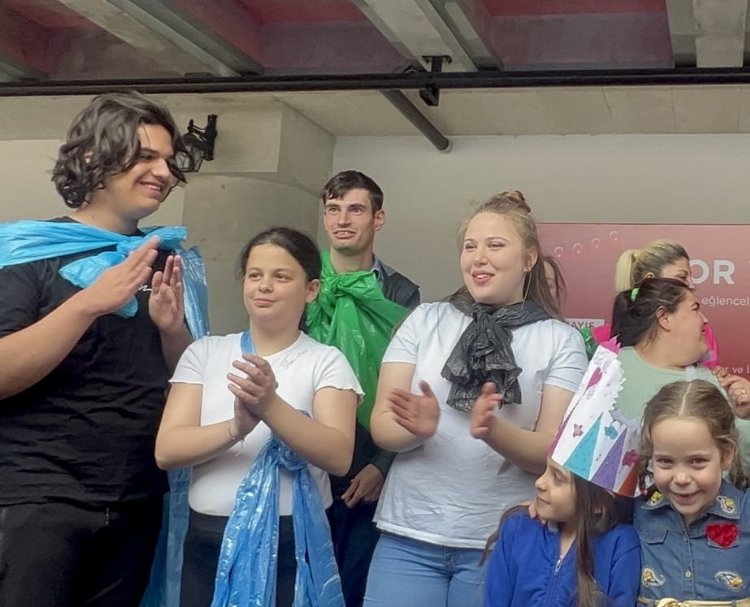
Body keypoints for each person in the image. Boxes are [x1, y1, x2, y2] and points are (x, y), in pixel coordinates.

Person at [0, 91, 196, 607]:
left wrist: (173, 332)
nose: (163, 172)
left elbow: (189, 383)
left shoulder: (167, 258)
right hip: (38, 498)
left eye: (168, 160)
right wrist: (88, 304)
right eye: (146, 156)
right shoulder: (25, 252)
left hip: (137, 498)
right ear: (93, 157)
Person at [364, 193, 588, 606]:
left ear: (529, 258)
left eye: (495, 245)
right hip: (408, 535)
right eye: (470, 246)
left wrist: (493, 431)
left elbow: (552, 453)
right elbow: (382, 426)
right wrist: (417, 430)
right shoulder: (424, 320)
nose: (479, 257)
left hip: (501, 540)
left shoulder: (561, 340)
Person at [155, 227, 361, 607]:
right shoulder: (205, 353)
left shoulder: (326, 361)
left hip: (293, 542)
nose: (264, 286)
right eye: (255, 275)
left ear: (311, 289)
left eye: (280, 276)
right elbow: (167, 449)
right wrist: (237, 428)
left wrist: (270, 406)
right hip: (207, 541)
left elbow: (338, 455)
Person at [309, 170, 419, 607]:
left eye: (355, 209)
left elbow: (409, 384)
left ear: (379, 218)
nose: (342, 220)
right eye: (333, 209)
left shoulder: (401, 293)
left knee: (355, 583)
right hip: (304, 449)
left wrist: (383, 464)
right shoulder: (301, 279)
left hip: (369, 458)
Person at [610, 278, 750, 466]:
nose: (705, 319)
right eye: (695, 309)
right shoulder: (608, 369)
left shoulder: (712, 382)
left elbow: (740, 461)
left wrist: (746, 415)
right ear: (665, 318)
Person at [635, 379, 750, 604]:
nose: (681, 478)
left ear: (726, 455)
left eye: (697, 461)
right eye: (665, 461)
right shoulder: (636, 510)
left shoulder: (746, 511)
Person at [484, 459, 640, 607]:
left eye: (557, 478)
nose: (539, 482)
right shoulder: (518, 527)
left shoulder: (620, 545)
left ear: (598, 504)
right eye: (545, 469)